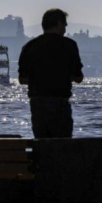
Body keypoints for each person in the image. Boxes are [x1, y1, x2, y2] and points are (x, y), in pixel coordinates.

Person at [18, 8, 83, 138]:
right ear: (59, 24)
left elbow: (22, 79)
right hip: (60, 103)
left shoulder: (30, 46)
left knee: (42, 145)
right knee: (62, 146)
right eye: (64, 25)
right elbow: (78, 77)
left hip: (38, 105)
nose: (65, 29)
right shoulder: (69, 45)